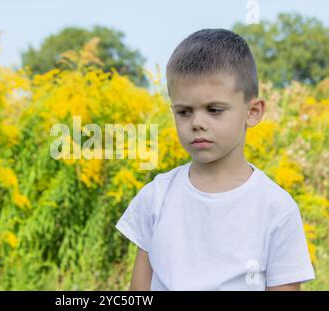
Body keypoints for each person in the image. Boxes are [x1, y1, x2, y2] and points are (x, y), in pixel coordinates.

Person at [115, 29, 315, 291]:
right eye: (184, 112)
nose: (197, 123)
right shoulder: (156, 197)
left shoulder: (276, 209)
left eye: (214, 110)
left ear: (253, 112)